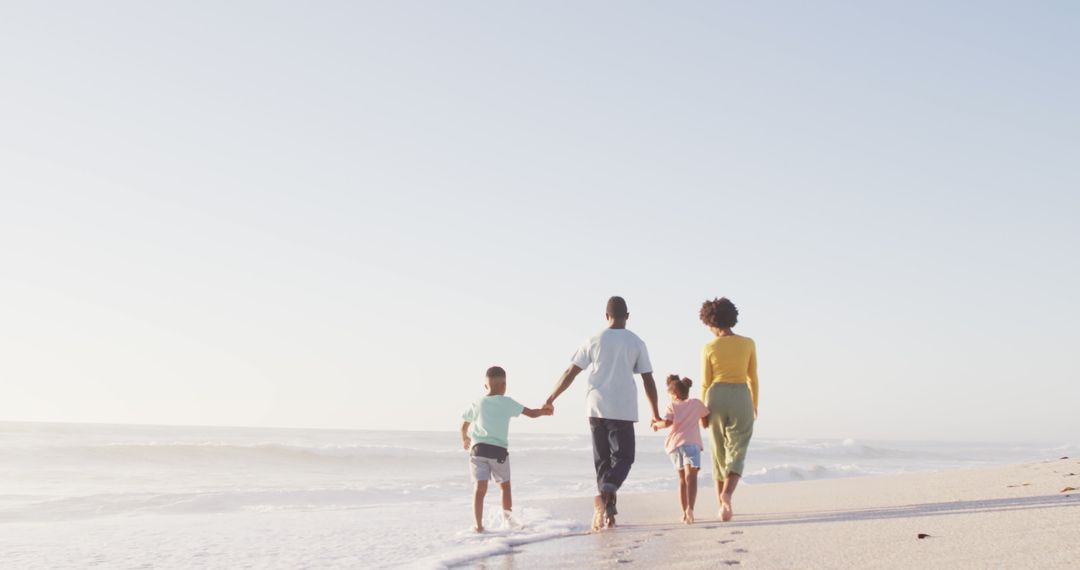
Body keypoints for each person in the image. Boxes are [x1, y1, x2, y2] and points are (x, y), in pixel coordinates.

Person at [544, 296, 660, 530]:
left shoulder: (593, 340)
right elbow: (648, 379)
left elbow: (570, 372)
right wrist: (655, 412)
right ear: (627, 316)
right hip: (623, 409)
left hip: (595, 407)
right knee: (624, 458)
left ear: (606, 316)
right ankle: (607, 495)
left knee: (603, 463)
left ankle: (609, 514)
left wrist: (551, 398)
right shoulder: (636, 342)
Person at [460, 366, 552, 533]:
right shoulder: (507, 402)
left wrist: (465, 438)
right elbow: (531, 413)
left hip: (478, 450)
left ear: (485, 386)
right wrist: (545, 412)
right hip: (498, 451)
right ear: (504, 385)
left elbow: (464, 424)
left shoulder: (477, 402)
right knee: (504, 487)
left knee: (479, 489)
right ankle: (508, 523)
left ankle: (478, 526)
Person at [699, 297, 758, 522]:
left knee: (718, 451)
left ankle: (721, 507)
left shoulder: (709, 347)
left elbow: (705, 382)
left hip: (715, 396)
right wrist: (754, 404)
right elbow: (753, 377)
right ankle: (728, 495)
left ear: (711, 322)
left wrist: (703, 410)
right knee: (738, 447)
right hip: (741, 394)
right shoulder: (748, 343)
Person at [651, 375, 710, 524]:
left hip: (676, 445)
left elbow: (668, 423)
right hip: (692, 444)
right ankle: (690, 509)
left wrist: (656, 425)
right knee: (692, 477)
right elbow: (706, 419)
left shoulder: (672, 405)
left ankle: (684, 513)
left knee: (682, 480)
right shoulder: (697, 403)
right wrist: (702, 421)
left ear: (675, 395)